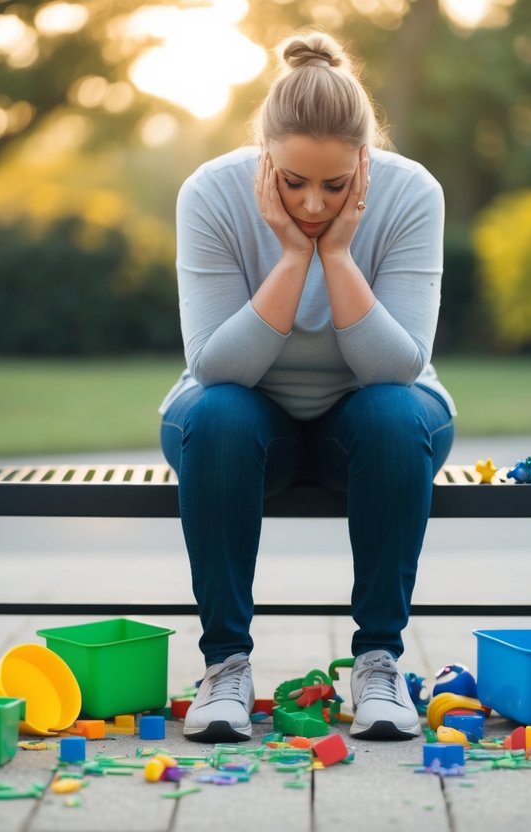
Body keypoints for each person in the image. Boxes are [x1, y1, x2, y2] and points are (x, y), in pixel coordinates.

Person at [158, 30, 455, 743]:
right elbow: (216, 366)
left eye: (335, 184)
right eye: (293, 183)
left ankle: (379, 661)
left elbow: (397, 366)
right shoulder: (210, 193)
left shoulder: (412, 192)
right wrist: (293, 257)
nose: (315, 204)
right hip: (241, 421)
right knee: (221, 414)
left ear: (364, 160)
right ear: (265, 158)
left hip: (376, 419)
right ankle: (225, 665)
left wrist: (339, 256)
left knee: (389, 413)